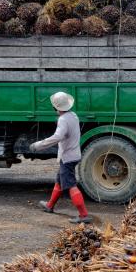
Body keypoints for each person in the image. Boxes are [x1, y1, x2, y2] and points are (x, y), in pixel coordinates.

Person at [30, 91, 91, 223]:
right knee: (59, 180)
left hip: (68, 157)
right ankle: (50, 205)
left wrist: (39, 145)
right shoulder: (73, 115)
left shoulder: (63, 120)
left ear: (56, 108)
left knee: (71, 185)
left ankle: (84, 215)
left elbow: (57, 137)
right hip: (73, 154)